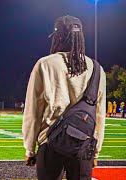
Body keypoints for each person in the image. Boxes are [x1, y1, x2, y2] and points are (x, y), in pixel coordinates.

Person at [22, 15, 106, 180]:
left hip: (51, 143)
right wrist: (95, 152)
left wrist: (29, 149)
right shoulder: (97, 68)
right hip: (84, 146)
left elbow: (33, 111)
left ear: (57, 36)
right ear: (80, 36)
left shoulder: (45, 64)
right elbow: (99, 115)